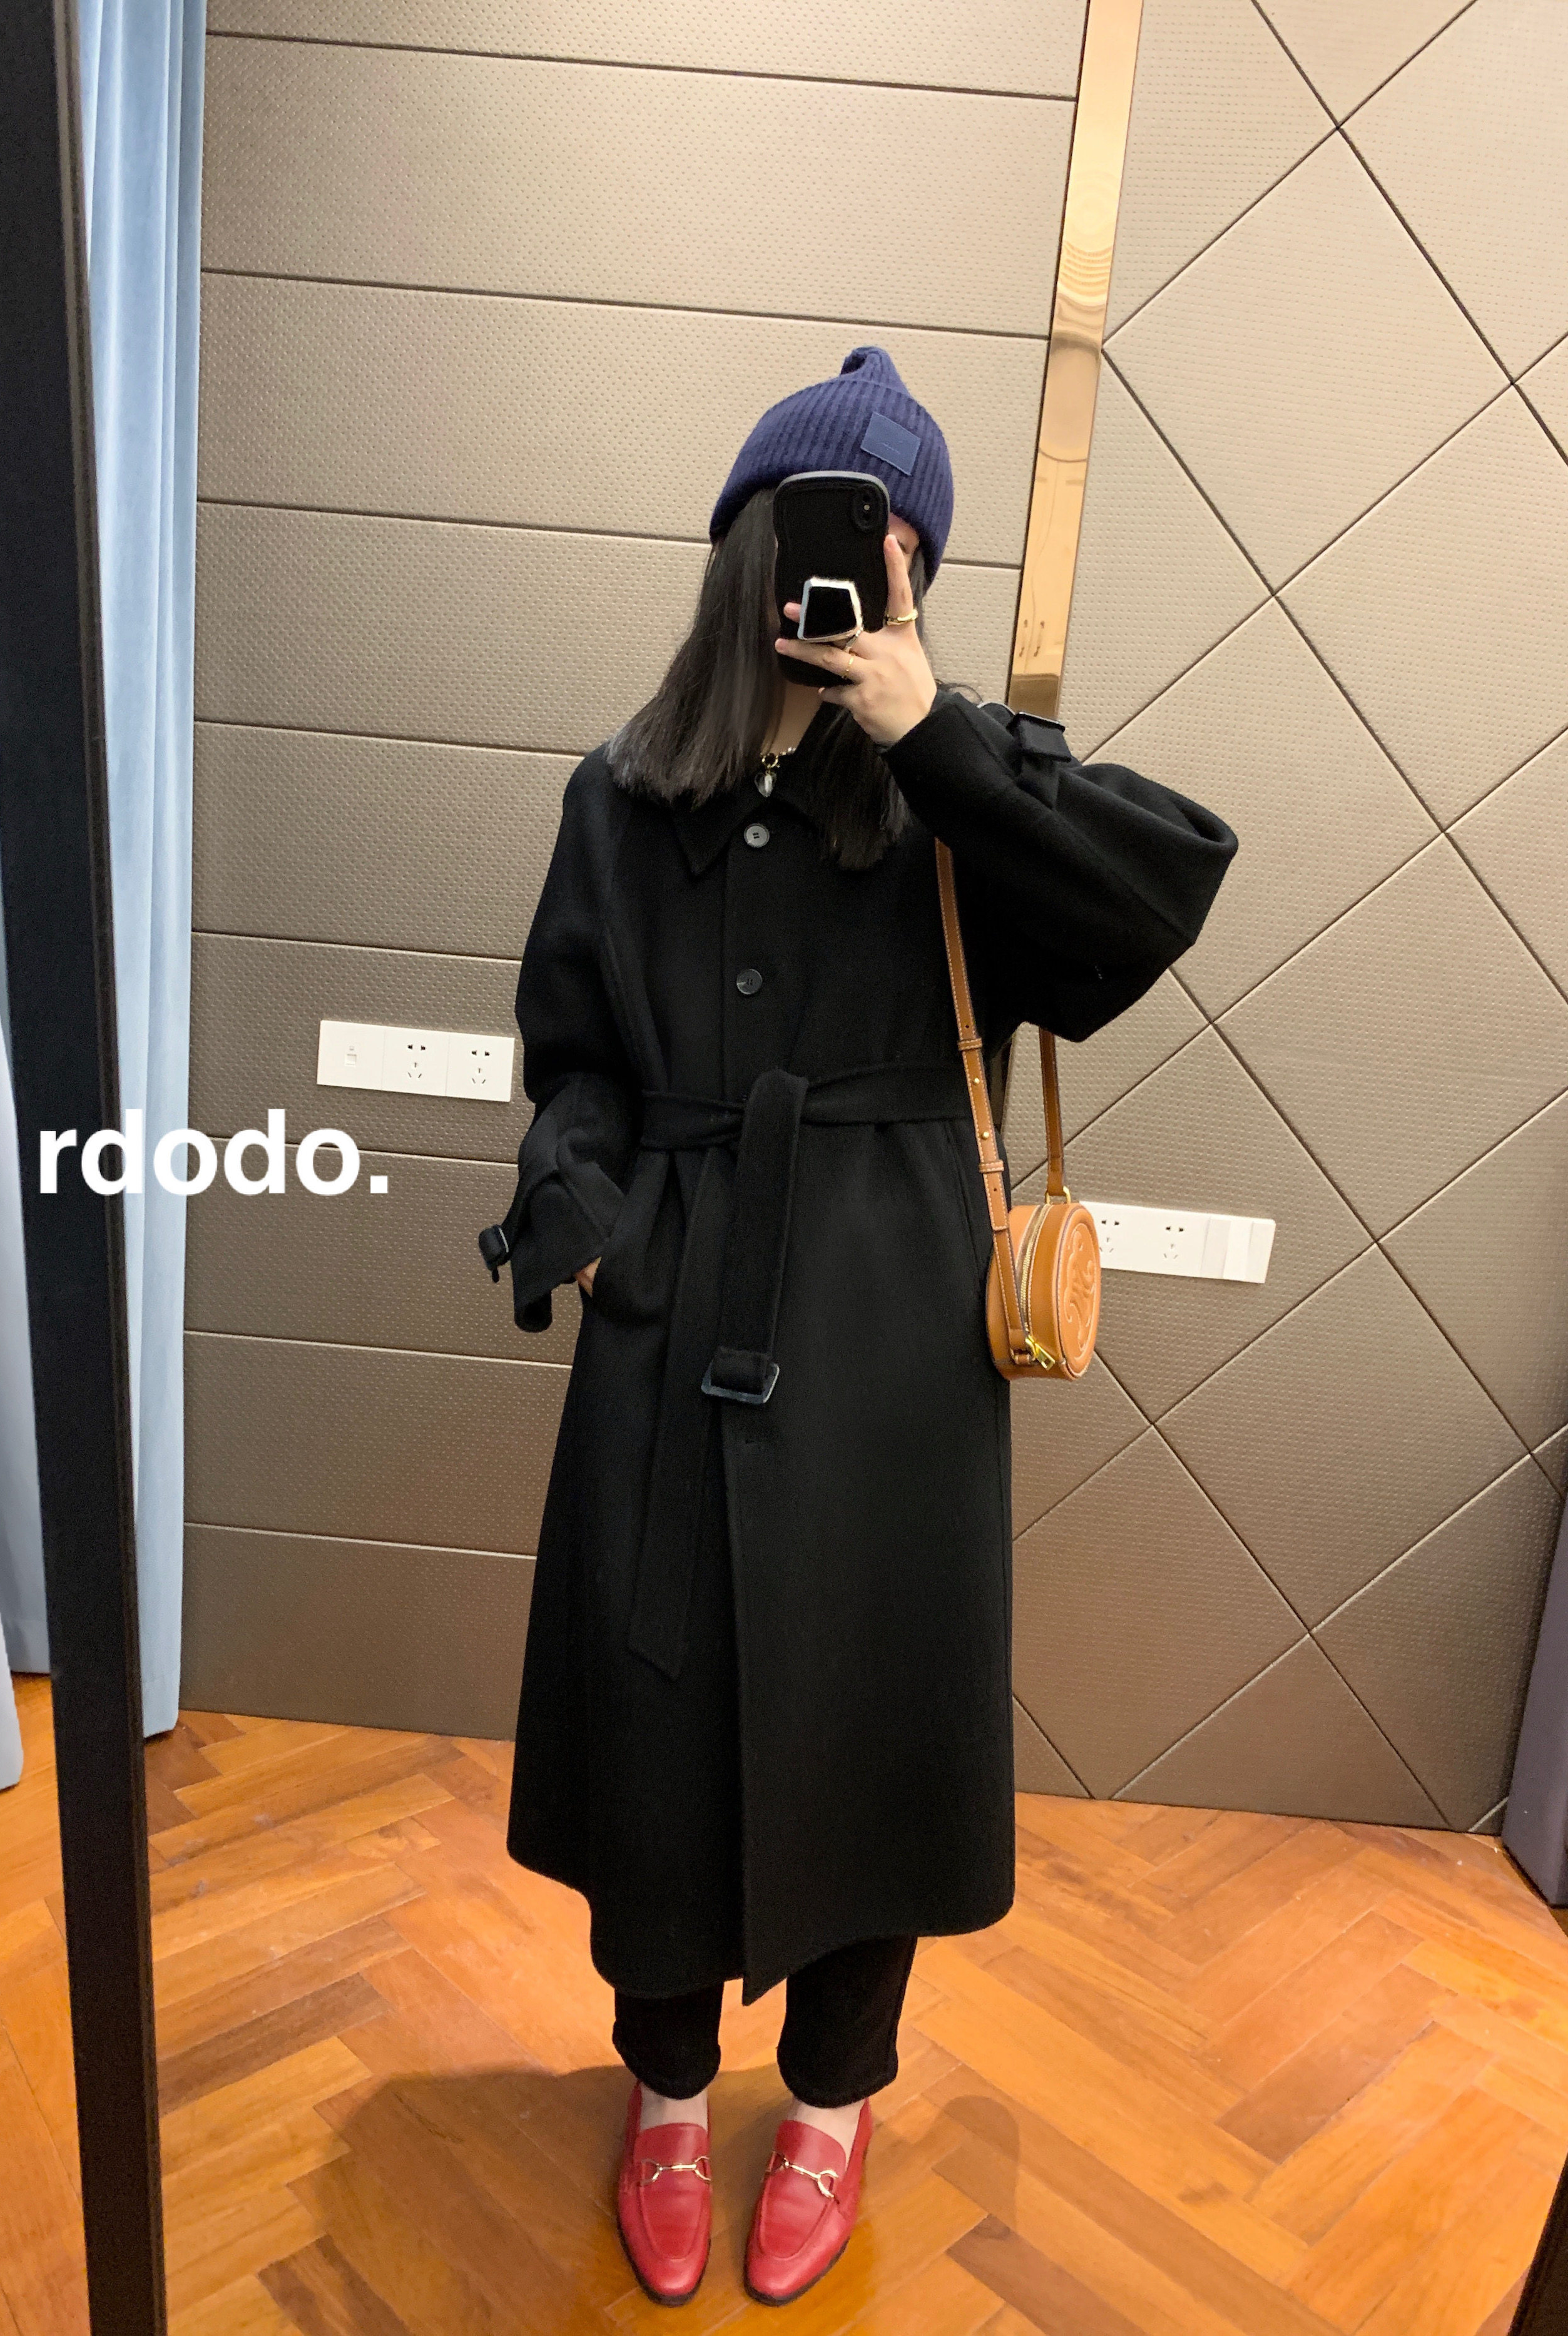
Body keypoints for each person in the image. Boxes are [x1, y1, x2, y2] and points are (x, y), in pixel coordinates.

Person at [477, 345, 1238, 2305]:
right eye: (824, 528)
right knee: (653, 1721)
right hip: (672, 1318)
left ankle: (831, 2101)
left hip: (894, 1343)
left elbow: (1162, 894)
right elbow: (570, 1053)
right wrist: (585, 1220)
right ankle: (666, 2089)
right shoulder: (619, 797)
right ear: (749, 545)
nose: (852, 567)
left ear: (912, 578)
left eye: (894, 547)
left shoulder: (959, 799)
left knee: (873, 1719)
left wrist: (940, 737)